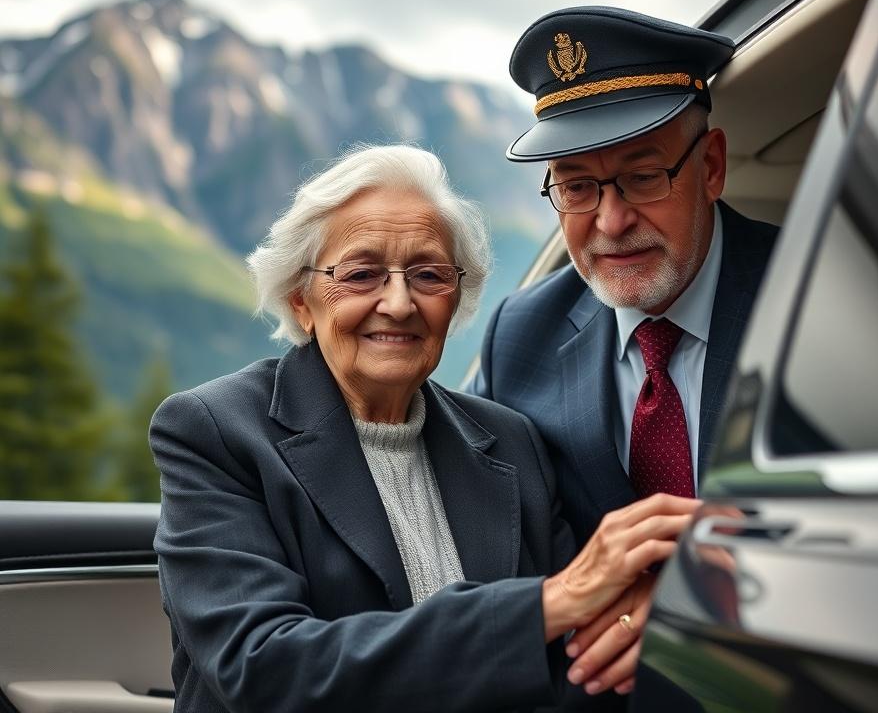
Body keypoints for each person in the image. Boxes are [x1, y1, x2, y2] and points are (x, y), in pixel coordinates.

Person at [150, 144, 697, 712]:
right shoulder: (215, 431)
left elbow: (574, 664)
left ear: (456, 297)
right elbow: (265, 669)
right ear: (301, 299)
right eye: (361, 274)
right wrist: (546, 604)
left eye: (429, 274)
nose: (399, 302)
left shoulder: (512, 443)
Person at [469, 7, 779, 696]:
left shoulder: (821, 295)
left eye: (643, 176)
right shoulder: (521, 335)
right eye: (577, 186)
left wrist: (705, 600)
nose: (610, 222)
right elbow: (492, 552)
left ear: (712, 167)